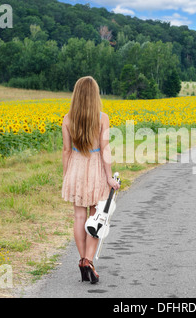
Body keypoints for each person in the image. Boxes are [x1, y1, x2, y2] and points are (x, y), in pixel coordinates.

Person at [61, 76, 120, 284]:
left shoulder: (67, 119)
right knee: (96, 217)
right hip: (95, 166)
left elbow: (67, 151)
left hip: (76, 166)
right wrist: (109, 177)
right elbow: (105, 149)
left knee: (79, 217)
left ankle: (82, 261)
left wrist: (67, 175)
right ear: (95, 95)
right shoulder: (102, 118)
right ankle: (88, 261)